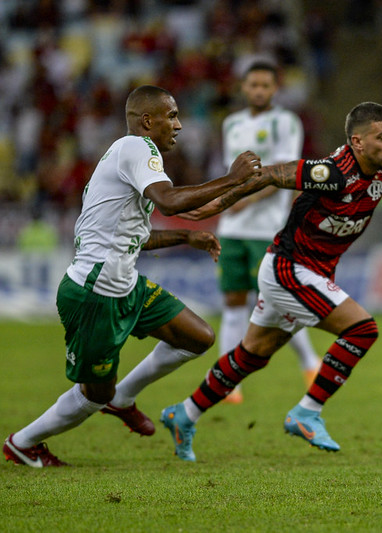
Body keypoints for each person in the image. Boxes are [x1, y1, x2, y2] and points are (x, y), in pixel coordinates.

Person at [161, 102, 382, 461]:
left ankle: (184, 414)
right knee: (362, 330)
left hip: (311, 273)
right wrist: (215, 205)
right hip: (289, 268)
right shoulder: (334, 171)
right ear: (358, 141)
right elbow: (271, 174)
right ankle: (307, 412)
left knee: (252, 355)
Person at [2, 85, 262, 467]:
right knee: (93, 394)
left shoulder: (134, 156)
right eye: (171, 116)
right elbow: (171, 201)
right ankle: (23, 443)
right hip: (94, 293)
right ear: (147, 121)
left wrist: (187, 235)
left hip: (125, 284)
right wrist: (233, 177)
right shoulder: (136, 148)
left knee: (197, 338)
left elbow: (134, 237)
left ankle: (123, 398)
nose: (178, 124)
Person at [216, 62, 320, 405]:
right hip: (230, 228)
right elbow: (229, 174)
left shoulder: (285, 122)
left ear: (275, 88)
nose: (259, 90)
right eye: (253, 84)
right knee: (233, 303)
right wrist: (224, 201)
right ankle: (227, 380)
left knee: (276, 300)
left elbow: (286, 173)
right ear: (244, 87)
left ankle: (309, 363)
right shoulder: (231, 123)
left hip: (266, 229)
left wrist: (244, 200)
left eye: (265, 85)